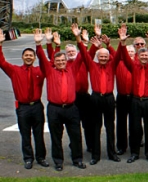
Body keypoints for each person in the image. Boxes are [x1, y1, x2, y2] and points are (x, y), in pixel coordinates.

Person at [34, 29, 86, 171]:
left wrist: (79, 38)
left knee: (76, 135)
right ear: (54, 62)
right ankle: (58, 161)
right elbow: (42, 58)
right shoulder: (50, 71)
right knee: (56, 137)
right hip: (54, 109)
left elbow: (82, 56)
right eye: (58, 61)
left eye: (63, 60)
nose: (61, 62)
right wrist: (39, 43)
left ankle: (77, 159)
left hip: (71, 108)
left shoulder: (72, 69)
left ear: (66, 61)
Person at [72, 23, 122, 165]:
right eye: (101, 56)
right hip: (95, 98)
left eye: (106, 56)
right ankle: (96, 155)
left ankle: (112, 153)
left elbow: (118, 55)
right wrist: (78, 38)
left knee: (110, 126)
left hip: (109, 98)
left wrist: (118, 42)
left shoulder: (112, 65)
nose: (104, 58)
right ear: (97, 57)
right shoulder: (92, 65)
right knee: (95, 127)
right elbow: (83, 52)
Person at [0, 29, 48, 170]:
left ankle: (41, 157)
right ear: (22, 57)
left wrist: (39, 44)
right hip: (23, 108)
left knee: (39, 134)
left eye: (31, 55)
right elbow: (1, 62)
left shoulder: (40, 70)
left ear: (34, 58)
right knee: (25, 135)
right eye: (26, 55)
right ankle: (28, 158)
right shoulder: (15, 71)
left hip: (37, 106)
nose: (28, 57)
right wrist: (0, 44)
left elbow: (47, 63)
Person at [119, 24, 148, 163]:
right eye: (141, 55)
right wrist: (122, 42)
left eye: (146, 55)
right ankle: (134, 153)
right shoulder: (133, 66)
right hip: (136, 101)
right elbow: (124, 56)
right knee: (135, 128)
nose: (144, 57)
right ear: (138, 56)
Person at [114, 45, 135, 155]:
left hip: (133, 97)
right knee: (121, 123)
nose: (130, 53)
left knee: (134, 123)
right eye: (128, 51)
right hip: (122, 97)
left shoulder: (137, 63)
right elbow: (114, 53)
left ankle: (134, 145)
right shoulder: (118, 63)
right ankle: (121, 146)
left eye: (132, 51)